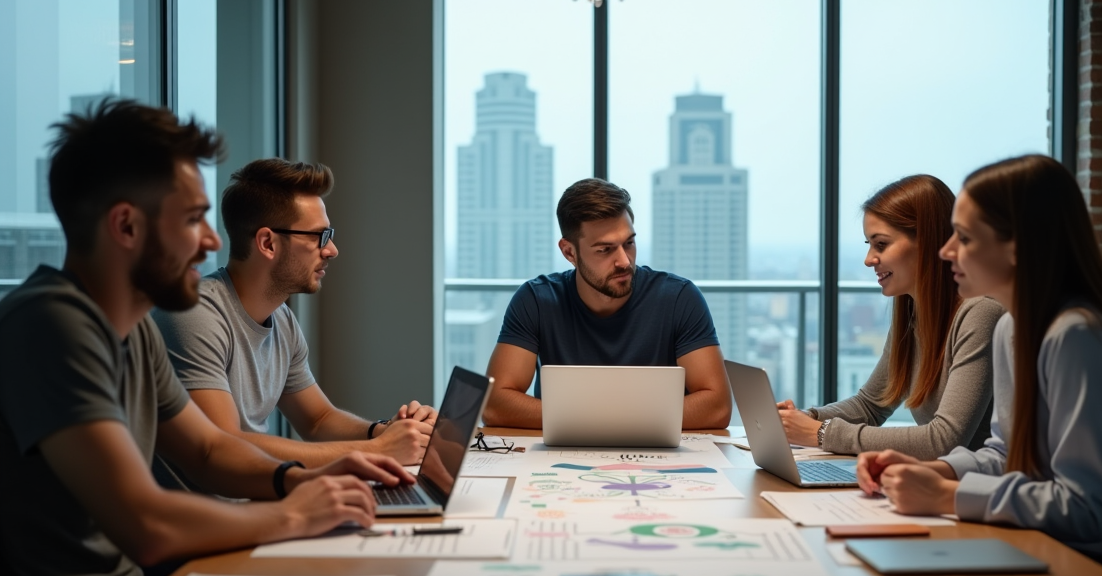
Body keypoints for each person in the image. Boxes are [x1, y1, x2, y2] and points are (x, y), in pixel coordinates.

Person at [0, 99, 414, 576]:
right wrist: (295, 515)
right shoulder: (52, 323)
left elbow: (210, 450)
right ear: (126, 226)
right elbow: (148, 525)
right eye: (192, 219)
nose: (213, 242)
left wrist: (308, 481)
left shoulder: (133, 328)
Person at [857, 155, 1102, 576]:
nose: (946, 251)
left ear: (1017, 245)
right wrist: (940, 470)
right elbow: (1008, 455)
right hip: (1082, 548)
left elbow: (1085, 509)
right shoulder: (1012, 328)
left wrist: (946, 496)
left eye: (963, 238)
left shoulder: (1078, 336)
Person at [152, 159, 434, 475]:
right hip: (209, 517)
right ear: (268, 243)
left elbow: (318, 419)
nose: (332, 250)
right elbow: (223, 443)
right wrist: (375, 451)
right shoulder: (195, 315)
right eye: (318, 236)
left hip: (258, 503)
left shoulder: (281, 318)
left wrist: (384, 432)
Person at [778, 175, 1004, 456]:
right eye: (869, 245)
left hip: (982, 492)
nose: (869, 259)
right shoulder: (913, 314)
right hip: (941, 484)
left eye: (881, 244)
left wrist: (822, 434)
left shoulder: (981, 313)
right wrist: (805, 419)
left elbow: (944, 439)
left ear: (929, 242)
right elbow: (869, 405)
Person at [483, 178, 732, 430]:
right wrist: (616, 420)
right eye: (605, 250)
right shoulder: (536, 300)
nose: (624, 261)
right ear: (569, 252)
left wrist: (590, 419)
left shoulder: (679, 298)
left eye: (629, 243)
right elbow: (494, 404)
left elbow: (717, 406)